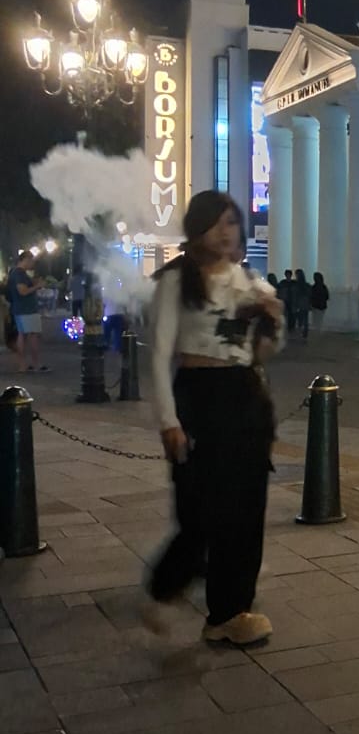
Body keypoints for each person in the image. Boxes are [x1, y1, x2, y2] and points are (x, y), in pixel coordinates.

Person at [143, 191, 283, 646]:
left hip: (245, 395)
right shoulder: (176, 282)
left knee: (247, 508)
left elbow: (261, 352)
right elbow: (161, 353)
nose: (227, 232)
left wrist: (272, 323)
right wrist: (169, 420)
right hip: (199, 397)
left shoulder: (250, 282)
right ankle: (167, 584)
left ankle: (230, 611)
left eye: (233, 223)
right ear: (197, 228)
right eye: (218, 223)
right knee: (202, 510)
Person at [7, 251, 48, 373]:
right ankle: (35, 364)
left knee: (22, 335)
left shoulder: (17, 273)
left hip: (21, 309)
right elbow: (22, 291)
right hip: (27, 310)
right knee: (32, 335)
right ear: (25, 259)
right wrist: (37, 286)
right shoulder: (19, 273)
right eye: (31, 261)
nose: (32, 264)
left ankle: (23, 365)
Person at [291, 268, 311, 341]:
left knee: (299, 320)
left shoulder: (296, 286)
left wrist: (294, 305)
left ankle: (299, 334)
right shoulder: (306, 285)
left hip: (299, 304)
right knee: (305, 320)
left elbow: (295, 296)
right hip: (305, 304)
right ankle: (304, 334)